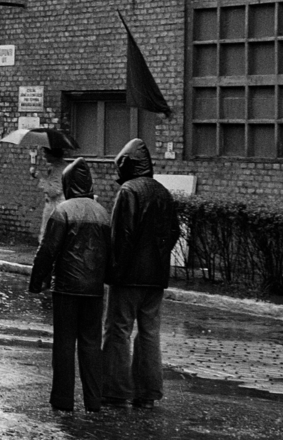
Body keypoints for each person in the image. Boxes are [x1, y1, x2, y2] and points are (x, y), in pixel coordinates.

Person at [27, 157, 109, 414]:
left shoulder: (62, 211)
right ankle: (93, 400)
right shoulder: (102, 213)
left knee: (64, 344)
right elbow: (110, 252)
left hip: (66, 287)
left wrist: (37, 281)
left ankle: (63, 400)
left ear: (68, 183)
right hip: (94, 289)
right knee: (91, 344)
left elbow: (48, 250)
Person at [104, 137, 178, 408]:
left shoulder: (128, 192)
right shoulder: (162, 192)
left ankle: (115, 390)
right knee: (149, 333)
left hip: (128, 276)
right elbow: (174, 233)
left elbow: (120, 236)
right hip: (155, 278)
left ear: (126, 165)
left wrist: (114, 270)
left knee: (118, 330)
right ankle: (147, 393)